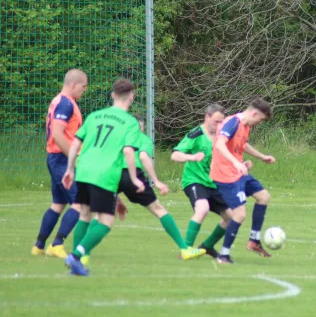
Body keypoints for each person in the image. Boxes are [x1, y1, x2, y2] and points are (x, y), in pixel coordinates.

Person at [61, 78, 202, 276]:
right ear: (132, 97)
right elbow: (129, 151)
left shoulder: (95, 116)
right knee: (106, 222)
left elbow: (75, 144)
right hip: (105, 173)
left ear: (112, 95)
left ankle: (77, 263)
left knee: (85, 214)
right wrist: (135, 179)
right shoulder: (130, 122)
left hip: (83, 170)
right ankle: (76, 256)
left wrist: (69, 169)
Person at [76, 115, 206, 266]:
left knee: (100, 216)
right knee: (159, 210)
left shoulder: (118, 138)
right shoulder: (143, 139)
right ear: (142, 127)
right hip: (132, 175)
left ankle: (84, 254)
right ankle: (185, 249)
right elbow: (144, 157)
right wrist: (156, 181)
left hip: (111, 174)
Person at [210, 99, 276, 264]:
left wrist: (261, 157)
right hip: (225, 175)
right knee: (239, 215)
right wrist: (235, 162)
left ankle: (254, 241)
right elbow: (219, 144)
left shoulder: (245, 126)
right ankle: (223, 256)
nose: (260, 123)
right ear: (254, 113)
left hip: (238, 173)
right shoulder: (233, 122)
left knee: (263, 196)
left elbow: (242, 145)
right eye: (260, 119)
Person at [32, 69, 88, 259]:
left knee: (58, 203)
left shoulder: (59, 101)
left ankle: (39, 245)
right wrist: (73, 159)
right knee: (80, 202)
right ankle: (57, 244)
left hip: (56, 159)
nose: (84, 90)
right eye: (83, 86)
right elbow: (57, 133)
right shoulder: (65, 104)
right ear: (73, 84)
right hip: (62, 159)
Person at [171, 104, 235, 258]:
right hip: (194, 181)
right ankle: (185, 249)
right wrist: (191, 157)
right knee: (202, 208)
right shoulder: (196, 134)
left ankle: (207, 246)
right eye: (215, 122)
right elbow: (175, 155)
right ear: (207, 117)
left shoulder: (222, 136)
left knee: (233, 218)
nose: (219, 125)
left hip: (214, 183)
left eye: (221, 122)